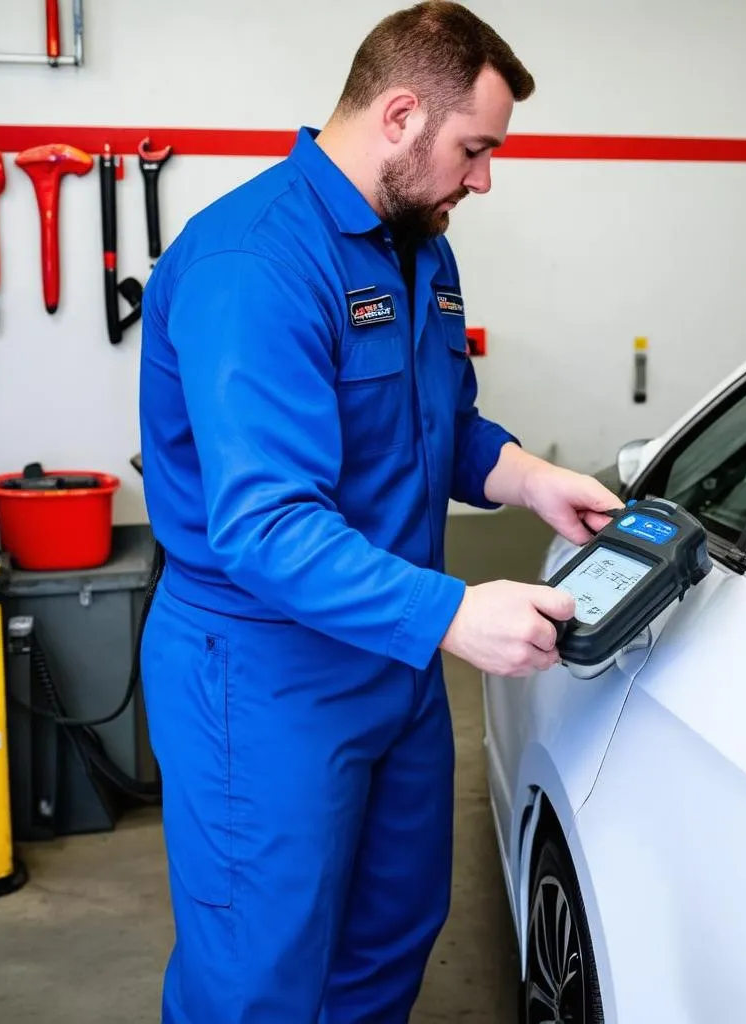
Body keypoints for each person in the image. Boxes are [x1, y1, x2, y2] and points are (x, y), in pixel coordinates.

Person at [137, 2, 623, 1021]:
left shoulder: (419, 248)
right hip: (265, 669)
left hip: (391, 658)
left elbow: (441, 428)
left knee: (388, 937)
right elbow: (265, 526)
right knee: (258, 976)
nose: (483, 179)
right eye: (474, 149)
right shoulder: (253, 265)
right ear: (400, 114)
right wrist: (452, 616)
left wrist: (530, 476)